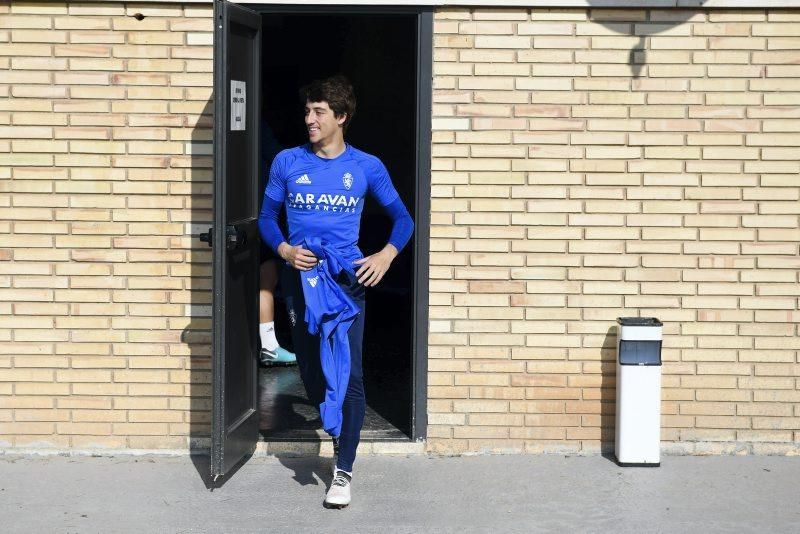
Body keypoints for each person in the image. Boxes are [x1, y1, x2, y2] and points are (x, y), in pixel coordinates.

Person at [258, 75, 414, 508]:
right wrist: (286, 249)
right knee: (312, 373)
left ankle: (343, 469)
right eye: (307, 110)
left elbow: (404, 219)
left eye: (319, 111)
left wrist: (384, 256)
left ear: (340, 117)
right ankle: (334, 424)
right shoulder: (287, 162)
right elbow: (267, 218)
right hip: (300, 282)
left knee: (351, 376)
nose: (309, 119)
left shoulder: (366, 167)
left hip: (346, 284)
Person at [258, 121, 296, 366]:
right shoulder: (260, 129)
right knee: (266, 280)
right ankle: (269, 346)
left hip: (249, 209)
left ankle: (267, 344)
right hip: (261, 212)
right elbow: (278, 156)